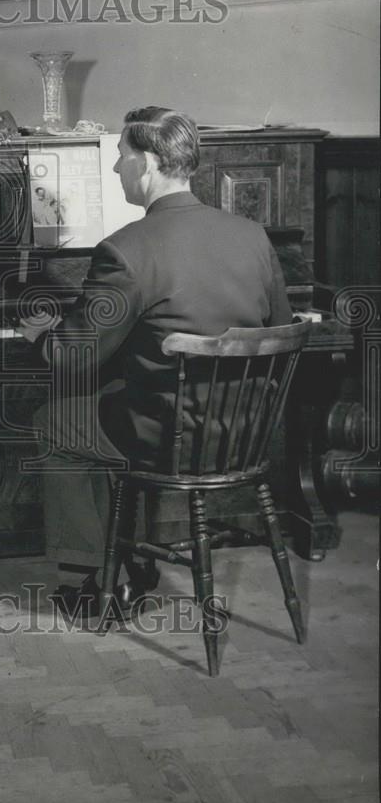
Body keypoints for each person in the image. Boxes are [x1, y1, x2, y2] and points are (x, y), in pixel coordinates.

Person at [19, 106, 291, 620]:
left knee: (57, 420)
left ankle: (92, 582)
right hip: (243, 434)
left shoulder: (125, 250)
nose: (117, 169)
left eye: (121, 158)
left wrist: (39, 335)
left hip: (172, 437)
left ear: (145, 162)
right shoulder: (253, 235)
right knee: (118, 397)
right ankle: (128, 564)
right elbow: (280, 327)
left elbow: (72, 356)